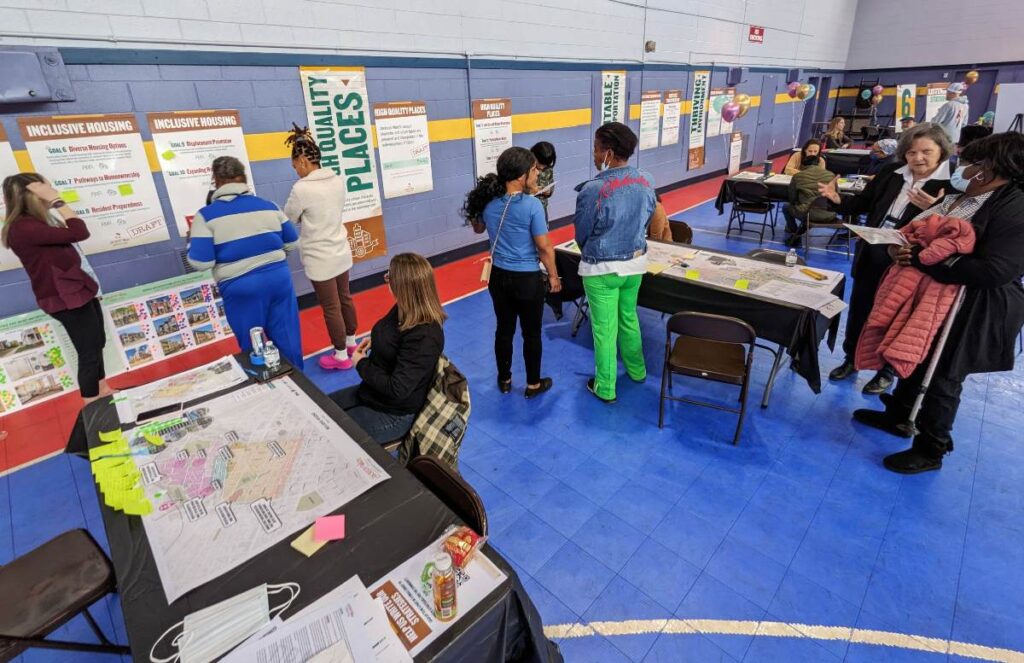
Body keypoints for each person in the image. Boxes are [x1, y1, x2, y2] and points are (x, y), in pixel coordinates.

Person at [853, 132, 1024, 474]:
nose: (965, 167)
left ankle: (932, 447)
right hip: (928, 293)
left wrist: (922, 259)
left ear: (995, 166)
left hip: (973, 305)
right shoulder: (961, 196)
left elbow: (996, 270)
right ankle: (899, 414)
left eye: (975, 162)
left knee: (945, 372)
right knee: (914, 354)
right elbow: (912, 231)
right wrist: (897, 248)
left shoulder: (1014, 206)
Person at [819, 123, 953, 393]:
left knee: (896, 315)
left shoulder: (950, 187)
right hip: (874, 248)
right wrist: (837, 199)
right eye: (912, 152)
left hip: (908, 259)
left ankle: (886, 370)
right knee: (860, 308)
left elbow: (953, 232)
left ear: (942, 152)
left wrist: (938, 210)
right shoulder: (891, 172)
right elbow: (864, 203)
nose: (918, 158)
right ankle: (852, 359)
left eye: (926, 151)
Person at [3, 174, 112, 404]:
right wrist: (58, 201)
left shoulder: (37, 222)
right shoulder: (23, 227)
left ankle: (103, 389)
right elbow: (79, 231)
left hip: (78, 288)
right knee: (88, 352)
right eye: (44, 188)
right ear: (31, 195)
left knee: (97, 341)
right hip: (64, 297)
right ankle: (92, 405)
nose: (50, 190)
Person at [463, 147, 561, 398]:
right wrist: (553, 276)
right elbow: (543, 247)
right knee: (531, 333)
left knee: (503, 329)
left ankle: (504, 379)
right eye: (533, 170)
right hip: (527, 280)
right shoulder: (532, 206)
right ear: (521, 175)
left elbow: (477, 229)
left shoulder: (489, 202)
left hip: (498, 277)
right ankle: (533, 384)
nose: (535, 174)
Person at [187, 156, 303, 367]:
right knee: (288, 338)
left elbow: (201, 263)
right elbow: (293, 242)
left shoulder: (205, 216)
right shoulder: (269, 206)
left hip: (240, 287)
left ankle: (269, 389)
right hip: (279, 280)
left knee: (254, 345)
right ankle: (303, 385)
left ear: (216, 180)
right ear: (244, 179)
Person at [574, 122, 656, 404]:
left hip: (601, 270)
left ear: (608, 152)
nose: (594, 155)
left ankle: (605, 387)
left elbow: (582, 232)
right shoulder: (646, 180)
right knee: (629, 320)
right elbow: (647, 217)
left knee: (604, 331)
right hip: (635, 265)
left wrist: (591, 249)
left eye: (596, 149)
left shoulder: (593, 189)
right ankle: (637, 371)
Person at [328, 253, 446, 443]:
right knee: (320, 408)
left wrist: (361, 363)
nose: (386, 280)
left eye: (389, 277)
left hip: (393, 414)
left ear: (402, 287)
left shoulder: (425, 336)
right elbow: (393, 334)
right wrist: (378, 341)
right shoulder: (403, 309)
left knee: (330, 435)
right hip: (372, 394)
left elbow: (396, 389)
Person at [283, 124, 357, 371]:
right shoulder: (337, 180)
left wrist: (306, 217)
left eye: (295, 166)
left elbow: (290, 216)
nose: (296, 172)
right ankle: (351, 343)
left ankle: (340, 356)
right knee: (345, 298)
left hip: (319, 257)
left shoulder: (301, 189)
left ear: (303, 161)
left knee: (331, 307)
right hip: (340, 250)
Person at [782, 158, 836, 247]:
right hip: (829, 214)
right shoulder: (831, 175)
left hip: (808, 214)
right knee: (809, 210)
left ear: (803, 166)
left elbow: (792, 198)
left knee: (786, 207)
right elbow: (836, 195)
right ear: (819, 164)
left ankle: (795, 233)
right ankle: (798, 232)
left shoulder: (798, 176)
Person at [531, 141, 556, 226]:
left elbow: (551, 183)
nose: (541, 168)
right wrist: (532, 191)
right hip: (528, 208)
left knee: (544, 229)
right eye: (540, 164)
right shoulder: (525, 167)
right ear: (533, 155)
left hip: (542, 207)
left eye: (545, 165)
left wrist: (549, 191)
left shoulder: (548, 170)